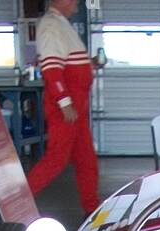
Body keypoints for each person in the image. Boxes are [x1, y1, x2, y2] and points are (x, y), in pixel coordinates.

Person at [28, 0, 99, 213]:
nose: (76, 5)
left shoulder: (61, 24)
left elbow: (69, 63)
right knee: (57, 159)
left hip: (76, 107)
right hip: (67, 107)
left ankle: (92, 209)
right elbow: (51, 69)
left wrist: (90, 64)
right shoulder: (51, 25)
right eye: (73, 1)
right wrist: (64, 102)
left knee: (86, 160)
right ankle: (17, 204)